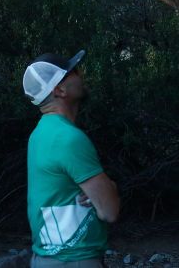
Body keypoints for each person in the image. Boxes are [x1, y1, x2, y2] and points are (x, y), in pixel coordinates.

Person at [22, 50, 120, 267]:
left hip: (46, 258)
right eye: (73, 71)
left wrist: (99, 191)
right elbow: (110, 211)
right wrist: (109, 187)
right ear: (60, 89)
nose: (81, 74)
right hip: (74, 260)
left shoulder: (40, 134)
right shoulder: (68, 138)